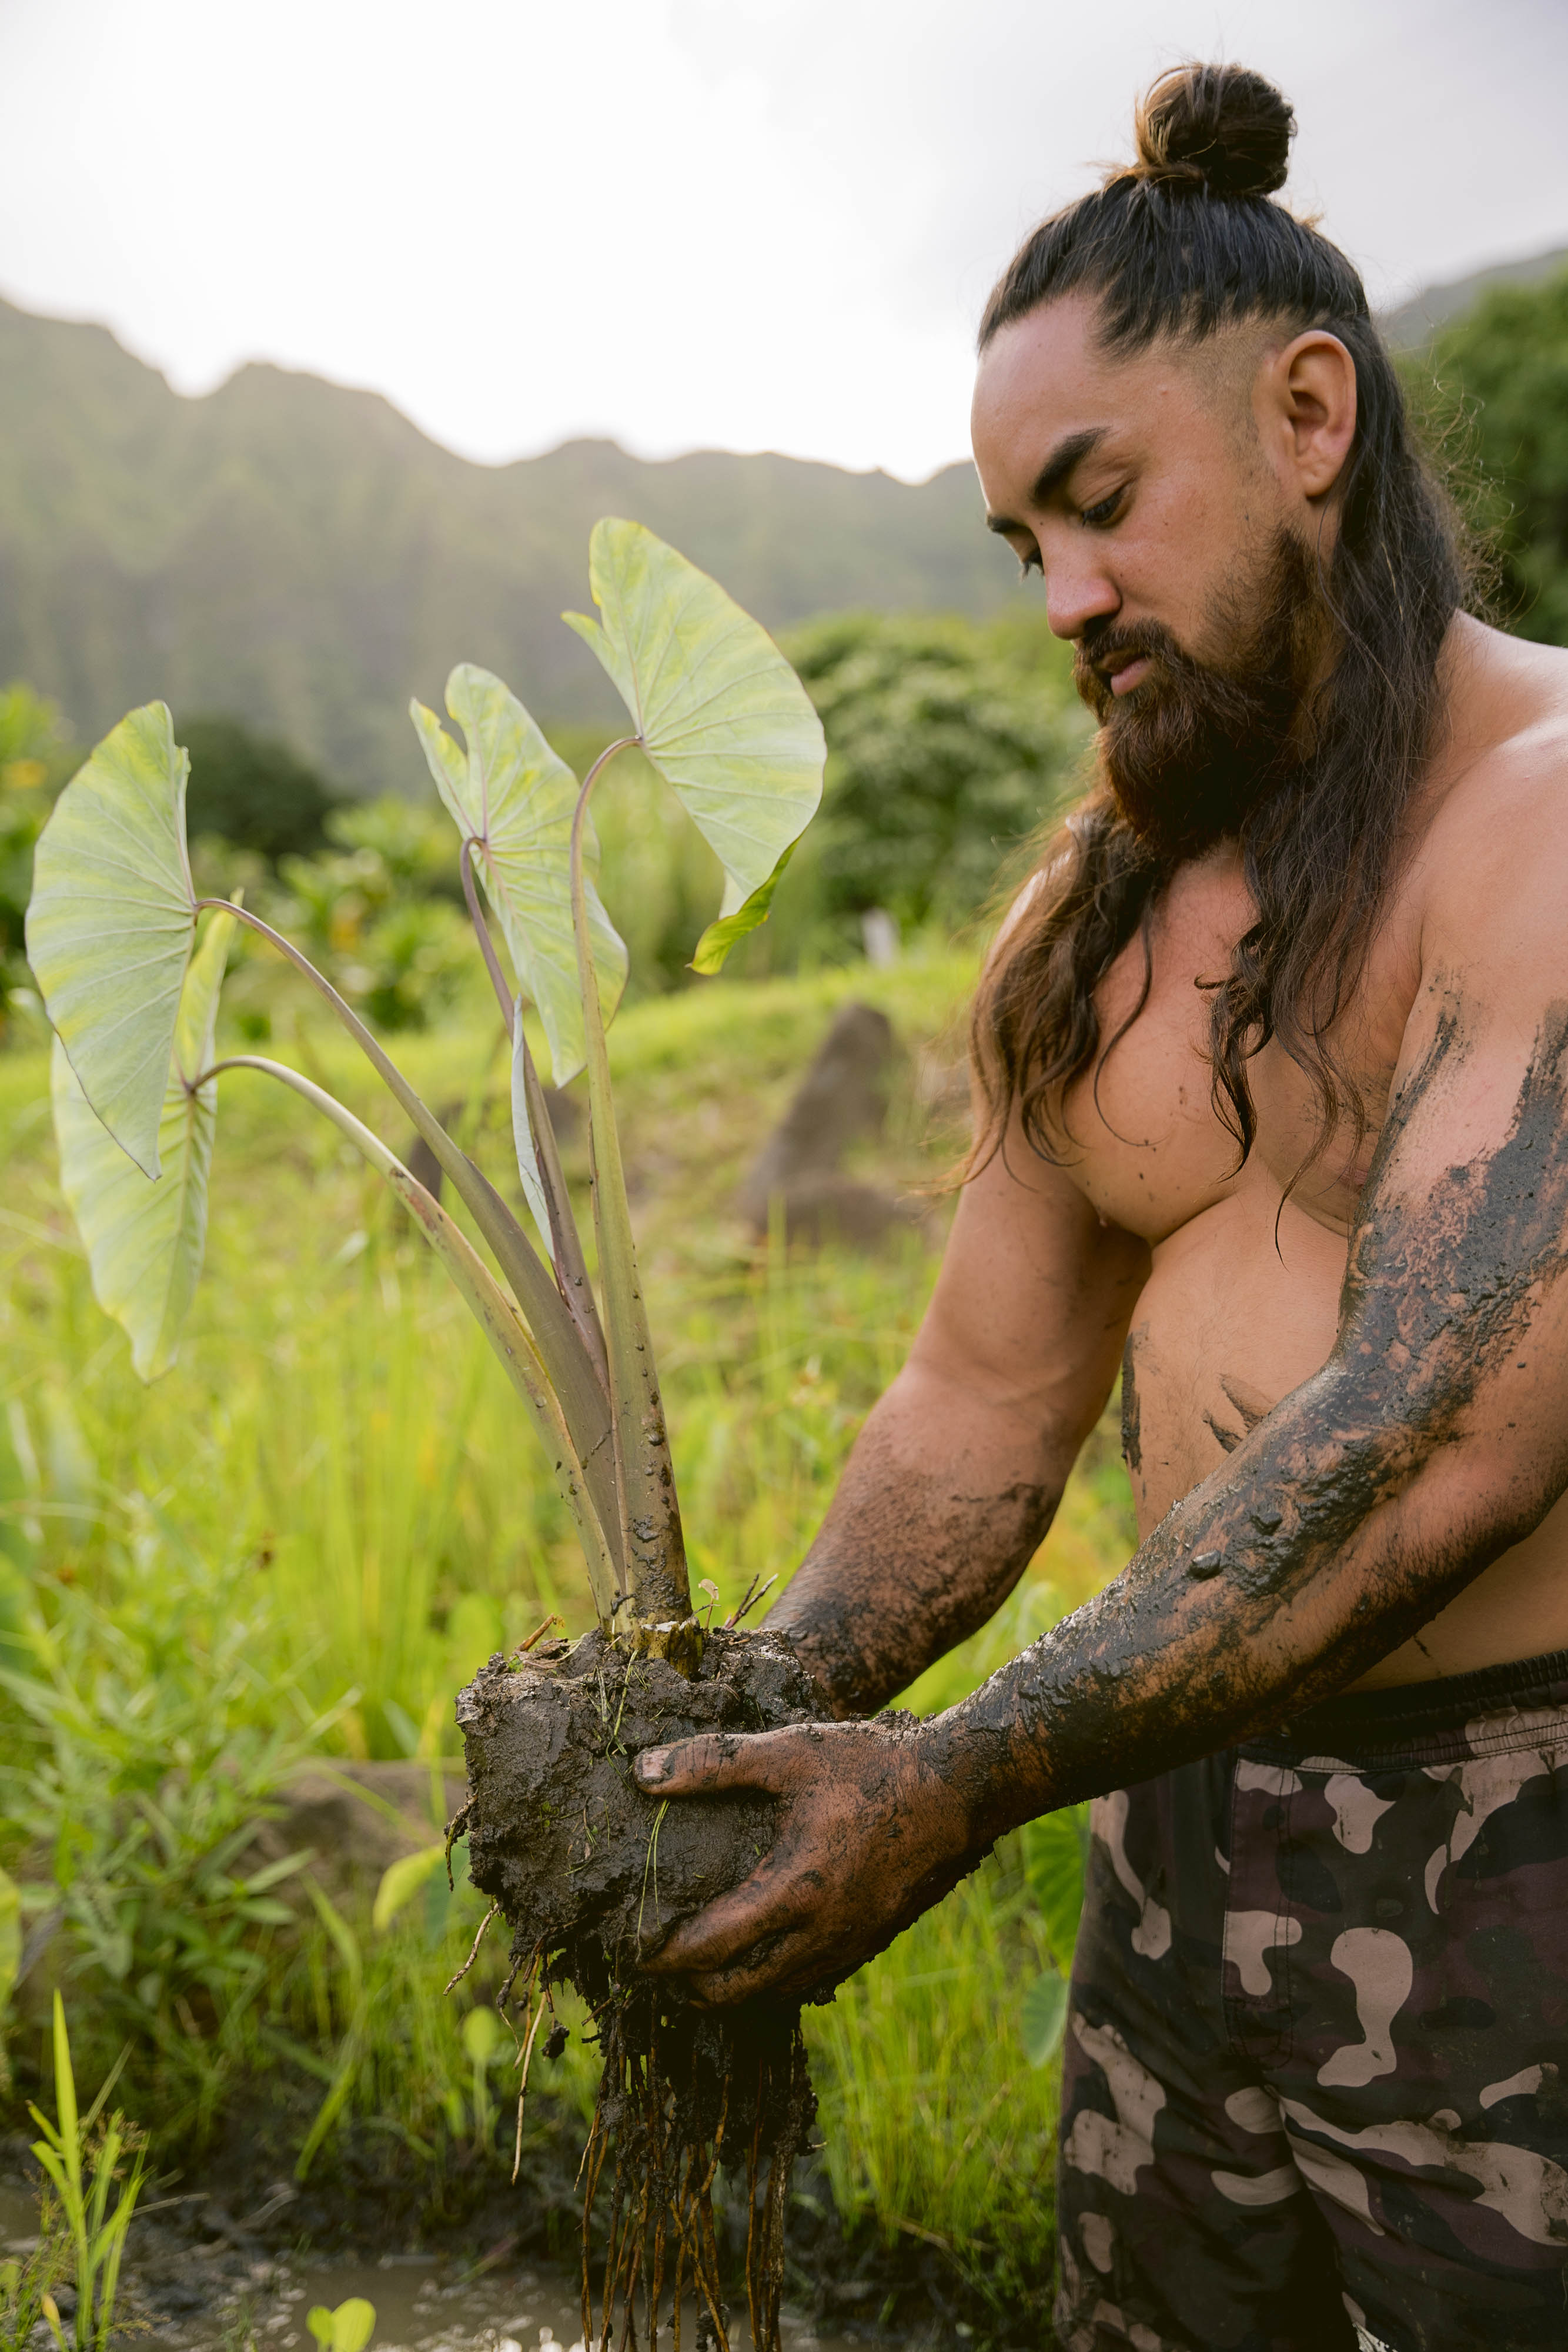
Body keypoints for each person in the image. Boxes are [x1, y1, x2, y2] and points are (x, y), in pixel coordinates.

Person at [634, 61, 1568, 2352]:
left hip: (1507, 1872)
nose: (1061, 596)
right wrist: (753, 1723)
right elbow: (976, 1393)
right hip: (1157, 1832)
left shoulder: (1543, 825)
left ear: (1309, 415)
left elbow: (1435, 1437)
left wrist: (945, 1782)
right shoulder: (1101, 903)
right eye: (1017, 546)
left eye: (1098, 502)